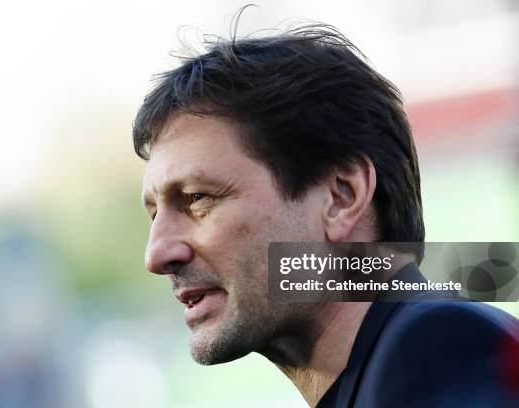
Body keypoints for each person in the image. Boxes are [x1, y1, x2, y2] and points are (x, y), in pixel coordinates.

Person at [132, 23, 519, 407]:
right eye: (154, 215)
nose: (157, 255)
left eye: (197, 198)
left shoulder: (435, 350)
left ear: (341, 197)